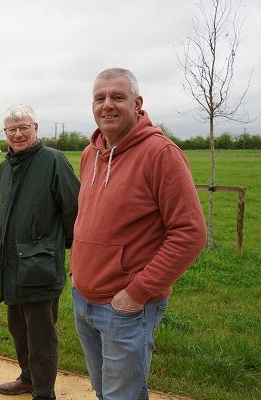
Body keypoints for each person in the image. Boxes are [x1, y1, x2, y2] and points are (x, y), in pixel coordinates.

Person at [70, 68, 206, 400]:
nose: (107, 105)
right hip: (83, 298)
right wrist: (77, 276)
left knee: (122, 397)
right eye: (100, 98)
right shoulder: (91, 153)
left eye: (118, 96)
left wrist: (137, 292)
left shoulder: (160, 153)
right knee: (105, 392)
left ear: (137, 102)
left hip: (125, 307)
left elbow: (190, 232)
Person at [0, 105, 80, 400]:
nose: (18, 134)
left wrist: (67, 252)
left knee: (41, 335)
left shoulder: (54, 161)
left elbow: (74, 211)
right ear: (5, 133)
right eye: (12, 129)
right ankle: (28, 378)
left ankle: (44, 393)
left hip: (40, 267)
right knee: (18, 328)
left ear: (36, 128)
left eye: (24, 127)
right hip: (11, 264)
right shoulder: (5, 167)